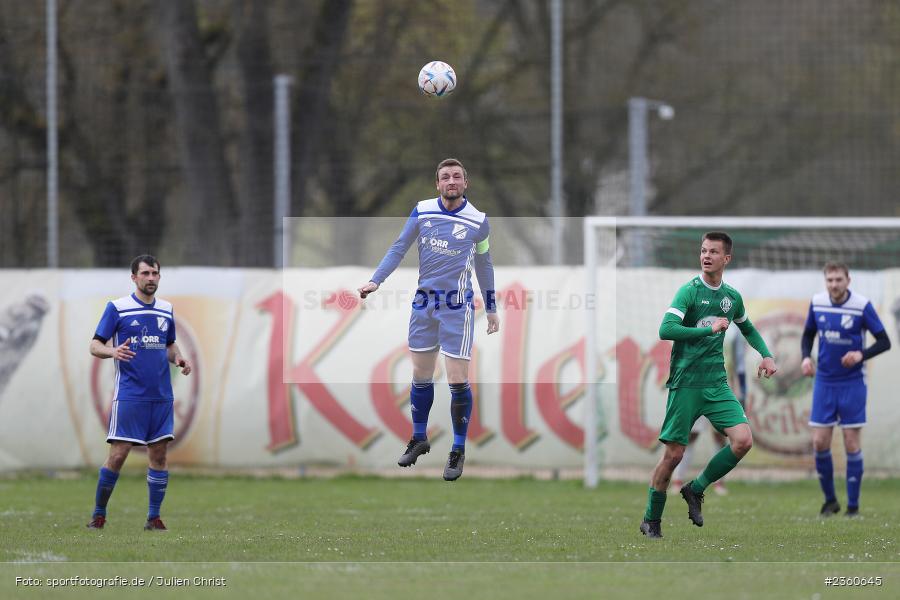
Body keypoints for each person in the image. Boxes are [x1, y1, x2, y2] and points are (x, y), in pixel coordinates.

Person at [358, 158, 499, 481]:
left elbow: (484, 265)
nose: (451, 181)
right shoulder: (422, 211)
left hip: (457, 308)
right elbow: (399, 247)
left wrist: (491, 307)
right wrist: (375, 280)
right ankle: (419, 438)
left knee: (456, 380)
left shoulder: (479, 222)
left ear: (466, 183)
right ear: (437, 184)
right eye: (445, 177)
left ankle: (458, 449)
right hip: (424, 304)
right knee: (420, 376)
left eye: (457, 177)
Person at [640, 232, 777, 538]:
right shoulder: (688, 292)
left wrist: (766, 355)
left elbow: (748, 327)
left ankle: (696, 489)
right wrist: (708, 330)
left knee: (743, 440)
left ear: (726, 259)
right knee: (674, 456)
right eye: (703, 251)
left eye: (713, 252)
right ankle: (652, 518)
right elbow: (666, 329)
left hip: (716, 383)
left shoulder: (731, 297)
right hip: (685, 384)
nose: (706, 256)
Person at [86, 255, 192, 531]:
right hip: (131, 396)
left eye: (155, 273)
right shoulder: (118, 308)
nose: (151, 278)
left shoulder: (166, 309)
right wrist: (113, 351)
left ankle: (153, 518)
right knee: (119, 455)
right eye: (145, 273)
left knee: (159, 456)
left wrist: (178, 358)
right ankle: (98, 515)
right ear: (134, 277)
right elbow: (95, 345)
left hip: (161, 397)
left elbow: (169, 345)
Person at [801, 262, 891, 517]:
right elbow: (808, 334)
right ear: (825, 282)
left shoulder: (862, 305)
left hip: (852, 383)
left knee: (851, 443)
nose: (834, 285)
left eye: (838, 280)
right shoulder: (817, 302)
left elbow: (885, 341)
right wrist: (806, 357)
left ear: (848, 280)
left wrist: (860, 354)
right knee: (819, 441)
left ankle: (853, 507)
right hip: (824, 382)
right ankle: (830, 501)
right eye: (830, 280)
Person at [671, 334, 748, 496]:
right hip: (696, 386)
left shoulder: (733, 330)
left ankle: (718, 482)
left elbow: (739, 363)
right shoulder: (697, 320)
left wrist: (742, 392)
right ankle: (678, 480)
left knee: (720, 437)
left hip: (722, 389)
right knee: (690, 434)